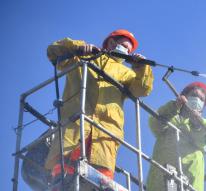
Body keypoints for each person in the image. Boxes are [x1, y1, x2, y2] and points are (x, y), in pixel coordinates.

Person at [44, 29, 154, 180]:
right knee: (64, 176)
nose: (126, 52)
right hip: (76, 126)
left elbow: (141, 89)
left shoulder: (126, 73)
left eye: (129, 50)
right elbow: (53, 51)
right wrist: (78, 47)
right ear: (111, 42)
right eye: (124, 46)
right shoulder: (82, 57)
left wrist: (141, 67)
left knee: (101, 180)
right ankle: (60, 182)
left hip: (106, 133)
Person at [146, 82, 206, 191]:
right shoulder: (171, 117)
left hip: (190, 180)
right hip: (164, 175)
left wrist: (197, 123)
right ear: (184, 97)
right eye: (194, 96)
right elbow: (155, 123)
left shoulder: (204, 125)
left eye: (201, 99)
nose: (197, 100)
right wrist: (174, 107)